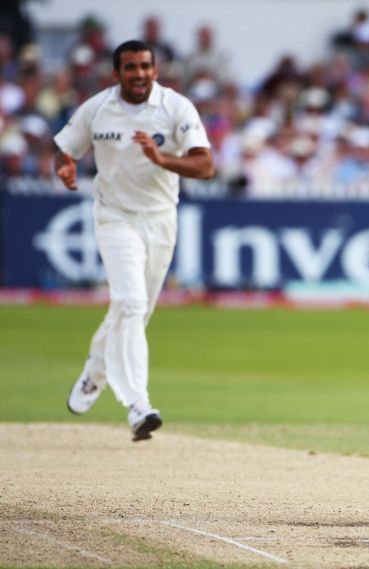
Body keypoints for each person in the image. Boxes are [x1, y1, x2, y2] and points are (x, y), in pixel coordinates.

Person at [54, 40, 214, 441]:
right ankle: (138, 405)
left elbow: (205, 165)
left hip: (160, 220)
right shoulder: (97, 108)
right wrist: (66, 169)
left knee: (136, 314)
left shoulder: (175, 107)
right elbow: (64, 149)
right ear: (116, 74)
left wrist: (164, 161)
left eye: (145, 66)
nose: (139, 74)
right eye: (130, 67)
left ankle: (96, 370)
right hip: (114, 217)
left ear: (155, 71)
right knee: (129, 302)